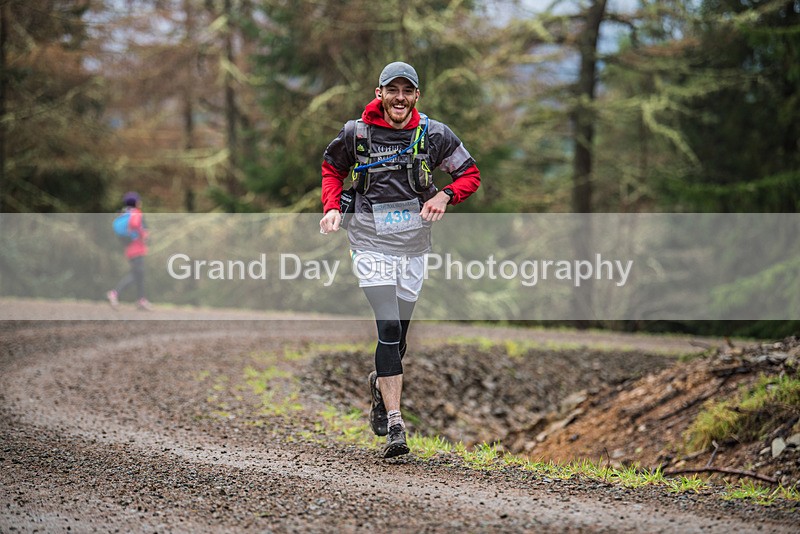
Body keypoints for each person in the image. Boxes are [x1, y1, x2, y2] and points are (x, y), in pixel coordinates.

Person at [319, 61, 481, 458]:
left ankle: (380, 385)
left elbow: (470, 173)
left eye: (407, 91)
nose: (400, 98)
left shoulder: (435, 134)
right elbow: (331, 169)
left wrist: (446, 195)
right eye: (393, 90)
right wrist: (331, 207)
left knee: (399, 337)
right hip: (368, 240)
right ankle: (396, 424)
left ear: (416, 96)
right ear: (380, 93)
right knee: (387, 323)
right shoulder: (356, 133)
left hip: (413, 247)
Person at [107, 191, 152, 311]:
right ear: (136, 202)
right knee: (136, 274)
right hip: (137, 247)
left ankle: (141, 300)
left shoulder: (125, 213)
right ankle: (115, 293)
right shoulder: (136, 213)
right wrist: (144, 234)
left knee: (140, 275)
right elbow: (135, 224)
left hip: (129, 248)